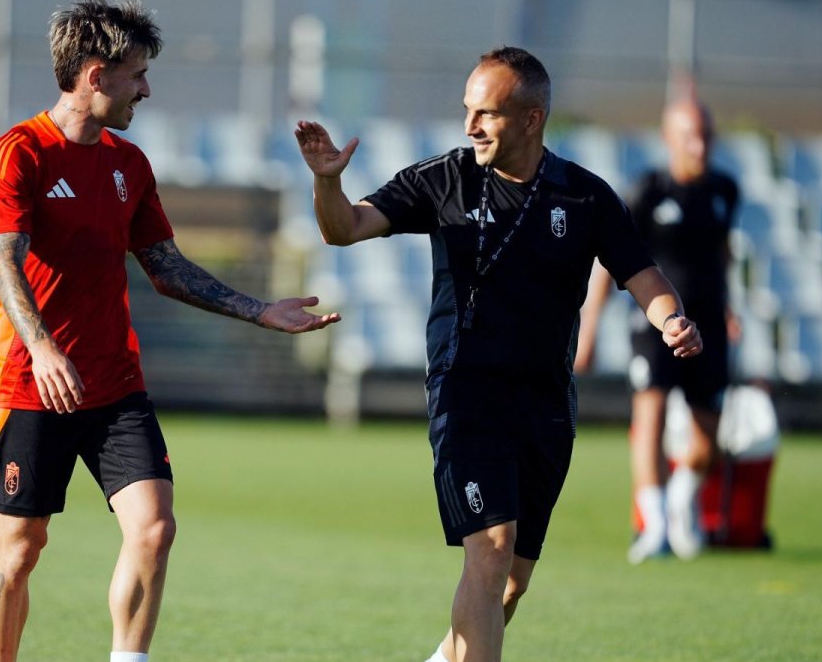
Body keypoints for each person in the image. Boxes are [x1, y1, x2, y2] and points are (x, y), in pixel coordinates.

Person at [295, 47, 702, 662]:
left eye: (486, 113)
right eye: (467, 110)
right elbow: (344, 228)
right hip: (465, 395)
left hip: (546, 406)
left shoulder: (584, 196)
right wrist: (328, 180)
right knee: (489, 550)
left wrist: (671, 319)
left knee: (512, 581)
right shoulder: (444, 178)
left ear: (532, 119)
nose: (470, 126)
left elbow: (642, 275)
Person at [0, 0, 339, 662]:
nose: (146, 89)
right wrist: (44, 348)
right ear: (96, 75)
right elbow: (4, 261)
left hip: (115, 385)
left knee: (154, 529)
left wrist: (259, 310)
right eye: (137, 74)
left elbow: (166, 268)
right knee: (19, 547)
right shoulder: (18, 153)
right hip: (33, 382)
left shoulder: (128, 165)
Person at [576, 97, 739, 564]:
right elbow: (612, 263)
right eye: (689, 135)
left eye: (705, 135)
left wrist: (730, 308)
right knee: (650, 417)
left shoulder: (725, 190)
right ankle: (654, 527)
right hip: (656, 323)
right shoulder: (648, 191)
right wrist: (589, 331)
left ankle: (682, 502)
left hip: (708, 325)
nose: (699, 145)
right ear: (669, 138)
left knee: (708, 439)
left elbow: (722, 254)